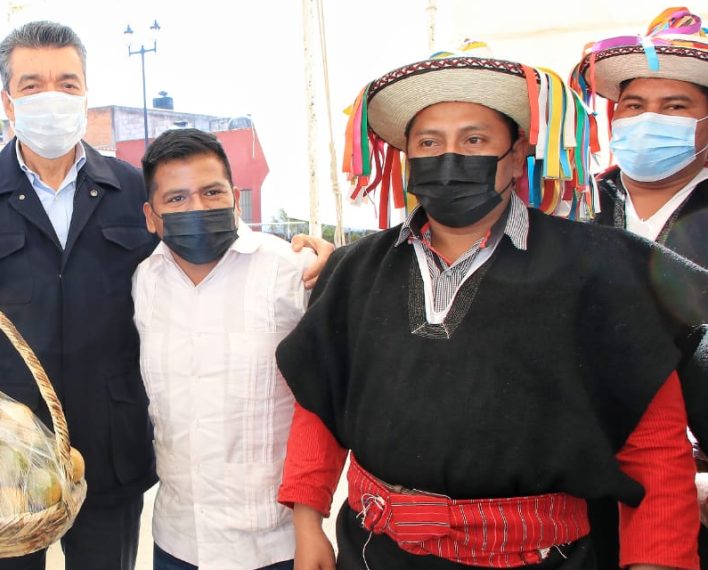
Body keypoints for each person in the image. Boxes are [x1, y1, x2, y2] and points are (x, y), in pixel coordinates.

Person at [0, 20, 332, 570]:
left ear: (86, 92)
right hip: (1, 463)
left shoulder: (131, 189)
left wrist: (301, 249)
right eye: (32, 84)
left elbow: (206, 238)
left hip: (109, 453)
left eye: (67, 83)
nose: (52, 96)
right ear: (7, 99)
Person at [275, 43, 707, 569]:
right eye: (429, 142)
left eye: (474, 139)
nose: (449, 158)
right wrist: (307, 522)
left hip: (541, 558)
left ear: (518, 149)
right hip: (373, 550)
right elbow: (319, 405)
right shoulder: (354, 269)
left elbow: (655, 448)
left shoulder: (602, 268)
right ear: (407, 156)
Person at [134, 129, 312, 570]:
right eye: (176, 199)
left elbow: (326, 401)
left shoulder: (292, 272)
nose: (197, 207)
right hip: (177, 541)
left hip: (274, 544)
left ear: (235, 198)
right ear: (151, 216)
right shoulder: (144, 281)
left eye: (211, 192)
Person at [572, 6, 708, 566]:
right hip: (582, 496)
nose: (649, 119)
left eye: (676, 106)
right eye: (633, 106)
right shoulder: (570, 210)